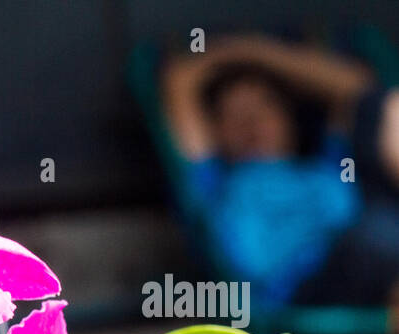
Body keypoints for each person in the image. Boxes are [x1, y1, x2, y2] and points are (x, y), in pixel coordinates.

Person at [163, 34, 399, 311]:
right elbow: (179, 80)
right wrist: (222, 54)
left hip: (376, 250)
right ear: (215, 133)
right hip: (302, 295)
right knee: (378, 236)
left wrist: (254, 50)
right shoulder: (215, 182)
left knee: (392, 108)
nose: (251, 122)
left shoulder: (328, 164)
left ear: (290, 118)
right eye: (234, 114)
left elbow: (358, 91)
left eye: (265, 106)